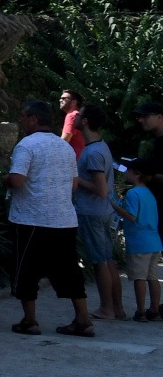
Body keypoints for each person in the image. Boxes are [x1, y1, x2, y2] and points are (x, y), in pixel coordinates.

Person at [8, 99, 92, 337]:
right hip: (64, 219)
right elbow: (74, 185)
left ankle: (30, 320)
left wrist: (5, 179)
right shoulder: (65, 148)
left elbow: (17, 180)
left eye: (24, 117)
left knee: (26, 269)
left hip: (31, 218)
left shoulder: (26, 145)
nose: (22, 121)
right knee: (68, 270)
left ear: (34, 119)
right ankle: (83, 319)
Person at [74, 104, 123, 320]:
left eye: (80, 115)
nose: (75, 117)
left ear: (85, 121)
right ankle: (117, 308)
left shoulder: (93, 152)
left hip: (92, 212)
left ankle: (106, 309)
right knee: (108, 259)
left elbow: (101, 189)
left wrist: (76, 180)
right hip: (103, 211)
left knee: (99, 261)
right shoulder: (101, 146)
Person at [114, 157, 162, 321]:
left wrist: (114, 205)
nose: (125, 172)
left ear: (136, 174)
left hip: (139, 242)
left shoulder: (133, 193)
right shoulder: (149, 193)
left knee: (139, 278)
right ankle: (154, 310)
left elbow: (131, 216)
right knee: (152, 277)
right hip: (154, 241)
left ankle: (140, 311)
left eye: (128, 170)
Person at [59, 89, 85, 159]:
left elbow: (64, 141)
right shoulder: (78, 115)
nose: (60, 100)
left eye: (64, 98)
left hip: (72, 160)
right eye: (61, 98)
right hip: (80, 158)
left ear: (74, 102)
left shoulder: (71, 116)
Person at [137, 100, 163, 165]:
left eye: (145, 116)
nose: (140, 120)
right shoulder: (157, 142)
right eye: (140, 116)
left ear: (159, 117)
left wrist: (147, 174)